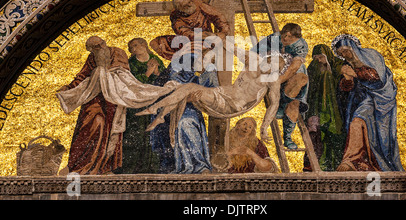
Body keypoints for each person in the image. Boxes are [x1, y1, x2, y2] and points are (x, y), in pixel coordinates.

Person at [137, 49, 299, 145]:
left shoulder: (273, 80)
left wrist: (264, 127)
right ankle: (159, 114)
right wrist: (212, 52)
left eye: (276, 67)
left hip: (231, 104)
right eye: (271, 62)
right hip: (223, 92)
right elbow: (231, 48)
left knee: (189, 88)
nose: (271, 67)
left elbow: (273, 105)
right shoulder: (254, 61)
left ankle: (156, 110)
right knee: (185, 87)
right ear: (267, 58)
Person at [57, 36, 130, 175]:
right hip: (93, 98)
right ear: (91, 49)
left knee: (110, 131)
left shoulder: (117, 52)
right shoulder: (92, 58)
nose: (101, 48)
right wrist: (69, 87)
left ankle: (105, 167)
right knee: (91, 123)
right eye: (96, 47)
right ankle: (78, 164)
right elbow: (82, 76)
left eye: (102, 43)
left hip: (113, 100)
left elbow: (124, 72)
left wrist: (104, 74)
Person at [331, 34, 404, 171]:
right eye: (341, 54)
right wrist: (347, 79)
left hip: (381, 98)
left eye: (346, 50)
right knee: (356, 122)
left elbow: (379, 79)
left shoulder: (371, 55)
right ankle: (352, 160)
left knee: (379, 136)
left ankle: (375, 162)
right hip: (364, 100)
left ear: (353, 47)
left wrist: (355, 74)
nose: (345, 55)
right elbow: (347, 89)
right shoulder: (347, 65)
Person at [251, 23, 309, 149]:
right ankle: (280, 104)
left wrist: (278, 80)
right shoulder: (274, 39)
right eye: (285, 35)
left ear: (296, 38)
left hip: (291, 75)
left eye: (290, 37)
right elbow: (253, 54)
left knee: (294, 102)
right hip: (274, 70)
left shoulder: (301, 45)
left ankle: (287, 138)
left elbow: (294, 67)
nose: (286, 38)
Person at [121, 38, 165, 174]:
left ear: (144, 45)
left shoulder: (155, 59)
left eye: (135, 45)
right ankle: (132, 168)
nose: (133, 49)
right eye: (131, 47)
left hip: (154, 101)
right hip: (136, 104)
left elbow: (164, 79)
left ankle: (152, 168)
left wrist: (157, 72)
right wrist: (148, 72)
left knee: (153, 134)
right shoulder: (131, 63)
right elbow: (131, 83)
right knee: (136, 134)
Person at [150, 0, 230, 61]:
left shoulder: (199, 5)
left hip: (207, 38)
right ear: (180, 9)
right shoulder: (176, 16)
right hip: (192, 40)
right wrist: (207, 35)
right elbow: (185, 33)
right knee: (158, 42)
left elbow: (217, 16)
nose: (190, 5)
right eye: (185, 6)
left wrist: (223, 31)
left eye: (189, 2)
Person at [304, 44, 346, 171]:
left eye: (321, 57)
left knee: (334, 136)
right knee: (316, 137)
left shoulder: (338, 65)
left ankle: (335, 165)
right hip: (316, 109)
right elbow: (308, 88)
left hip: (336, 112)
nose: (318, 60)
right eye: (315, 58)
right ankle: (315, 166)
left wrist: (327, 66)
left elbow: (342, 85)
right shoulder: (313, 68)